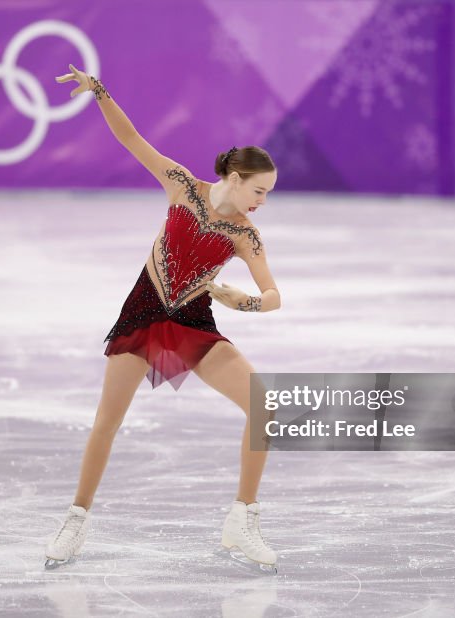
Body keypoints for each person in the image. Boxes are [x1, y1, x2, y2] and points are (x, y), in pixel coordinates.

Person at [44, 64, 281, 573]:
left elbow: (273, 295)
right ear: (235, 179)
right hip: (145, 312)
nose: (263, 202)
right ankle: (76, 519)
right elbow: (132, 138)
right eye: (259, 191)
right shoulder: (182, 186)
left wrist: (243, 301)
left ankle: (243, 517)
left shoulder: (245, 235)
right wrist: (99, 91)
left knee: (265, 408)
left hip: (193, 324)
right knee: (107, 423)